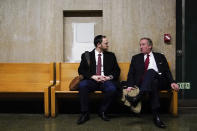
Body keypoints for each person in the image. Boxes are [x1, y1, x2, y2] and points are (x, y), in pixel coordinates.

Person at [126, 37, 179, 128]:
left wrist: (172, 82)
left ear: (150, 46)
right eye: (140, 45)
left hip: (161, 81)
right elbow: (131, 73)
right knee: (153, 83)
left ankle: (138, 97)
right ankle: (156, 117)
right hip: (145, 83)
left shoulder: (160, 56)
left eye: (143, 44)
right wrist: (130, 85)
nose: (141, 47)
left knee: (151, 71)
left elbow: (167, 71)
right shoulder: (135, 58)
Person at [77, 35, 120, 124]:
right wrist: (93, 76)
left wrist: (108, 77)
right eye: (106, 43)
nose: (108, 45)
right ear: (99, 44)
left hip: (106, 81)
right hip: (92, 81)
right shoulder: (87, 55)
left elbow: (117, 71)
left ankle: (102, 111)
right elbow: (81, 70)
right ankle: (85, 113)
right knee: (82, 85)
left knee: (112, 89)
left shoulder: (111, 56)